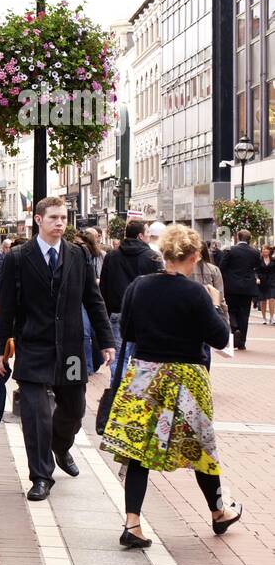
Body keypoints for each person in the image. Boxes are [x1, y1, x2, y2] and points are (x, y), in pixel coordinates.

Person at [101, 225, 243, 548]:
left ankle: (132, 523)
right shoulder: (195, 293)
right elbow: (220, 338)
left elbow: (129, 331)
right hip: (186, 379)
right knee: (201, 450)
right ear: (192, 257)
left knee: (138, 450)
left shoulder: (139, 287)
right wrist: (217, 304)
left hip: (145, 375)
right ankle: (218, 512)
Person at [0, 197, 114, 501]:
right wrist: (0, 351)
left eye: (63, 218)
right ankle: (40, 476)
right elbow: (6, 306)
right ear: (38, 219)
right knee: (35, 414)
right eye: (54, 218)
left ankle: (60, 446)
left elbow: (94, 300)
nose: (60, 223)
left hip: (71, 349)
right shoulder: (18, 258)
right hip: (33, 346)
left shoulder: (77, 255)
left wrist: (107, 341)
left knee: (75, 408)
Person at [99, 220, 163, 352]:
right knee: (142, 356)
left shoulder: (111, 256)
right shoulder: (152, 257)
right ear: (140, 235)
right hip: (145, 313)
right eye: (148, 233)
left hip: (118, 311)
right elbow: (160, 288)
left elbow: (103, 287)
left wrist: (107, 312)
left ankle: (119, 374)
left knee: (118, 356)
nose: (149, 236)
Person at [219, 228, 262, 350]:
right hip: (247, 287)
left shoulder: (231, 250)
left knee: (231, 310)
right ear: (249, 239)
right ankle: (242, 341)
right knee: (244, 314)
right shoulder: (254, 252)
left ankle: (235, 327)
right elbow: (257, 267)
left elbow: (222, 267)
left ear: (238, 237)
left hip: (231, 287)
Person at [189, 241, 229, 353]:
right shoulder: (213, 269)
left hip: (187, 316)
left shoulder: (183, 270)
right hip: (207, 313)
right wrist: (224, 317)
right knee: (204, 351)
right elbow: (220, 296)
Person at [76, 229, 104, 374]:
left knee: (93, 333)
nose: (78, 246)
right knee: (85, 332)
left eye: (80, 243)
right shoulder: (74, 257)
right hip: (79, 299)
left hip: (94, 298)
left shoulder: (99, 256)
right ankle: (87, 367)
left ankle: (95, 361)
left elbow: (102, 277)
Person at [258, 245, 275, 325]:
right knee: (263, 301)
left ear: (269, 251)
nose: (265, 251)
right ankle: (264, 318)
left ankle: (272, 317)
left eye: (266, 249)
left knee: (272, 299)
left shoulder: (273, 260)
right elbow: (255, 270)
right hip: (262, 282)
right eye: (263, 249)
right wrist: (256, 278)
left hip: (272, 281)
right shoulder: (259, 260)